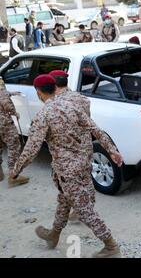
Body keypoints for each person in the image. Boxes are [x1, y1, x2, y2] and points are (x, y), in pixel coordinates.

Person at [10, 74, 123, 258]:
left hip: (67, 170)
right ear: (55, 88)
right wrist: (112, 150)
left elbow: (31, 149)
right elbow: (95, 129)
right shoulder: (73, 106)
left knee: (84, 210)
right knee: (64, 200)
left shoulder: (44, 115)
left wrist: (16, 170)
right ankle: (53, 234)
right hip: (84, 163)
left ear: (39, 93)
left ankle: (111, 245)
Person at [50, 69, 91, 222]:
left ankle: (80, 212)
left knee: (67, 185)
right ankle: (87, 207)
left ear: (54, 85)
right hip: (85, 145)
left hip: (69, 150)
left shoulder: (57, 103)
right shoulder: (81, 98)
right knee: (85, 178)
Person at [0, 79, 30, 188]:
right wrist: (14, 112)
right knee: (14, 146)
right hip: (4, 123)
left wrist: (9, 93)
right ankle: (13, 176)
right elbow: (5, 103)